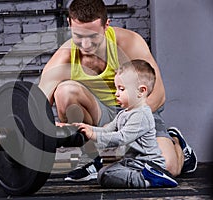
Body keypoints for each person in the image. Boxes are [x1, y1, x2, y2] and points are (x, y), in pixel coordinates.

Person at [38, 0, 197, 181]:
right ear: (69, 24)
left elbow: (159, 95)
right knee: (64, 92)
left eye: (93, 36)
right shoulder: (63, 57)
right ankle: (97, 158)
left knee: (168, 167)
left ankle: (177, 143)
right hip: (101, 114)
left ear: (106, 25)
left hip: (139, 111)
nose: (86, 44)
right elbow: (36, 109)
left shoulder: (129, 43)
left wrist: (124, 127)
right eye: (79, 36)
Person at [74, 59, 178, 188]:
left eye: (121, 89)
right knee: (104, 173)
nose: (116, 94)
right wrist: (87, 128)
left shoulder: (141, 115)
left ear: (141, 91)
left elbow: (121, 138)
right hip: (133, 162)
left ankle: (149, 179)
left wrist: (94, 136)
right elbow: (108, 131)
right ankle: (144, 177)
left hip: (147, 163)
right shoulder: (124, 113)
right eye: (116, 88)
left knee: (106, 175)